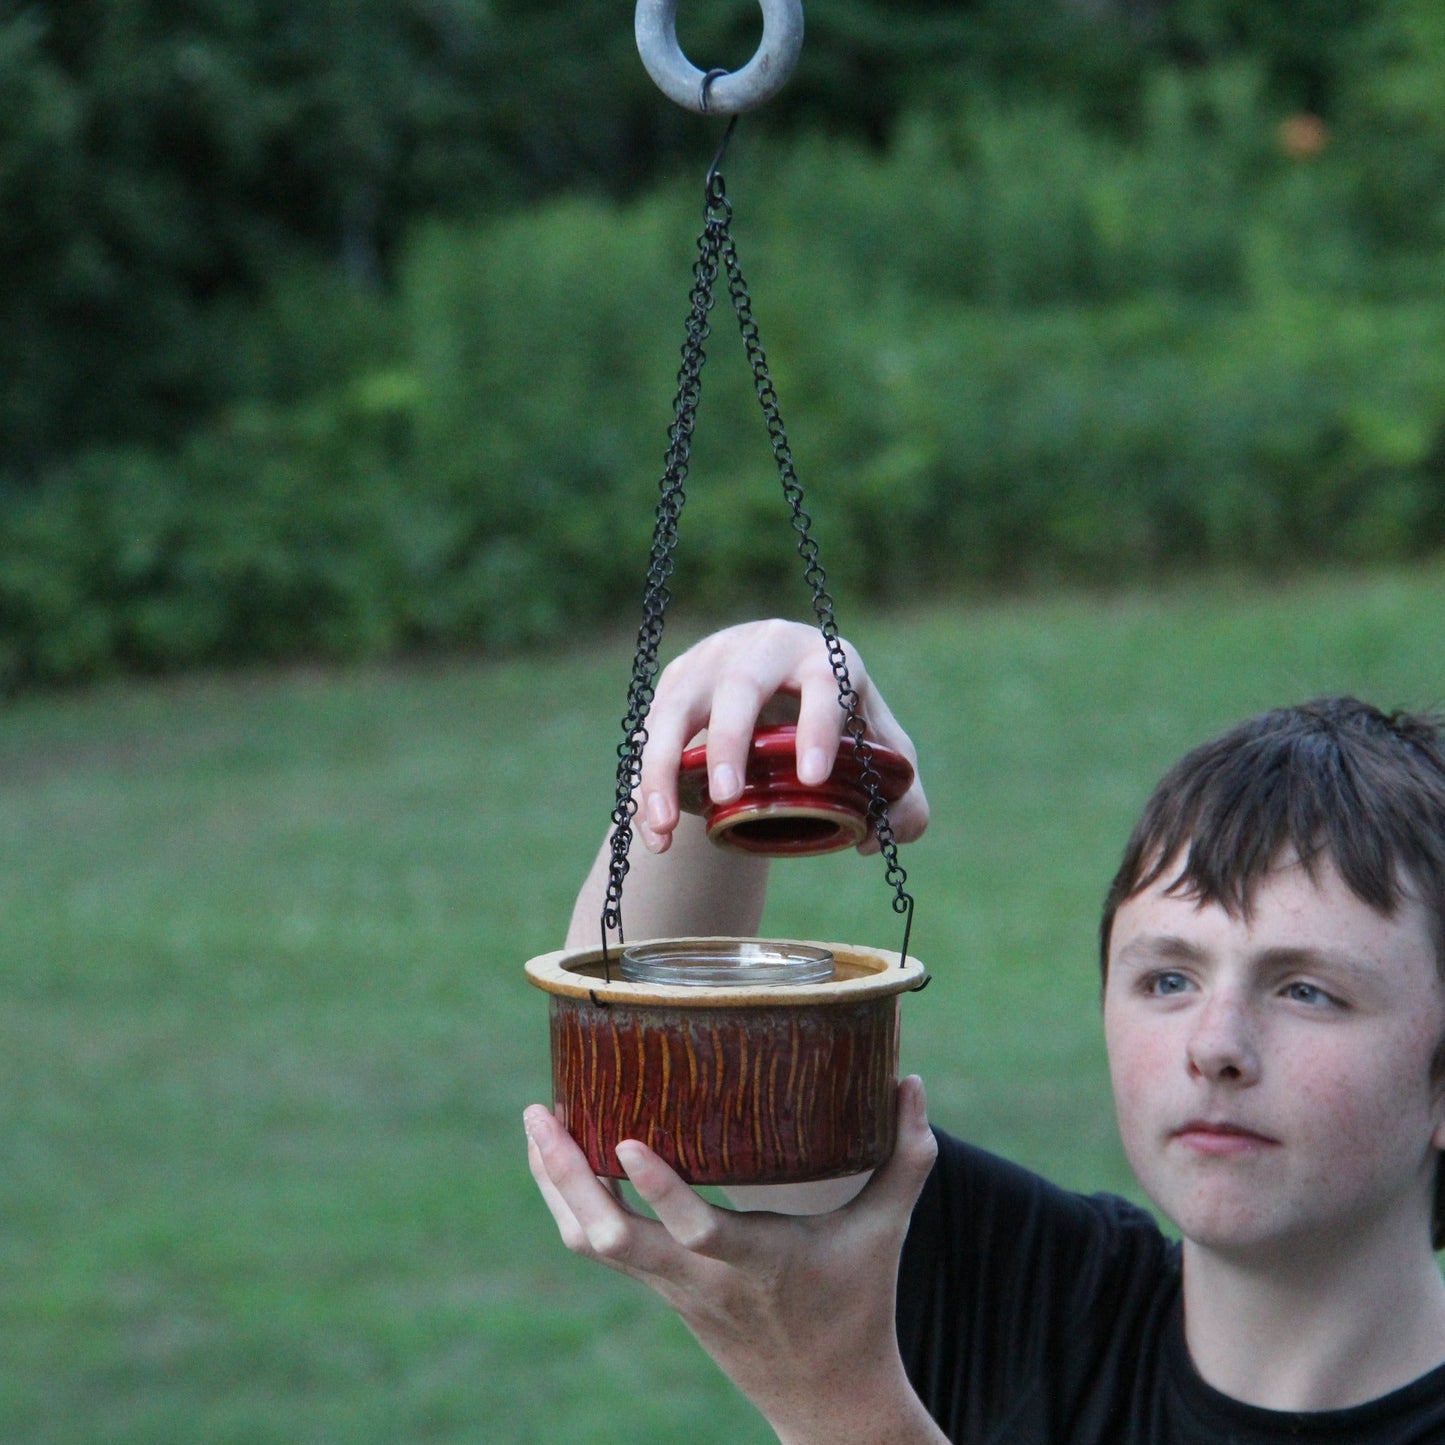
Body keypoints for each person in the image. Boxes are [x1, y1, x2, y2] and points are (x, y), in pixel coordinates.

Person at [523, 618, 1445, 1443]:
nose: (1215, 1044)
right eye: (1168, 977)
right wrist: (717, 744)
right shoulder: (1037, 1301)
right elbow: (672, 1092)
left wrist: (838, 1406)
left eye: (1307, 991)